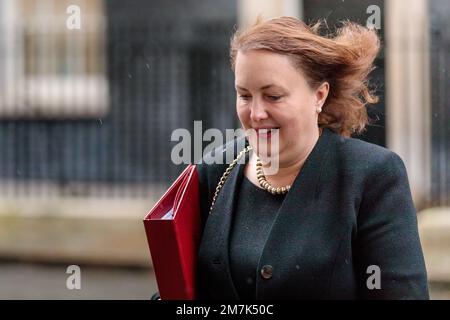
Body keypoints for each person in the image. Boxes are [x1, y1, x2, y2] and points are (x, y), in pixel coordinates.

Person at [193, 16, 429, 300]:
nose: (255, 113)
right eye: (244, 95)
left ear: (319, 95)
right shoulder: (215, 169)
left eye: (273, 96)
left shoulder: (373, 175)